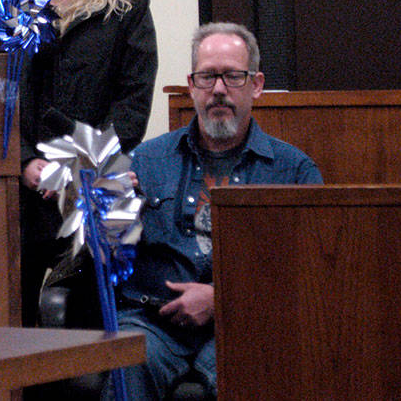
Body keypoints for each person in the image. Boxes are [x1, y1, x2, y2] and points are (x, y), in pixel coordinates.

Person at [105, 22, 323, 400]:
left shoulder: (294, 170)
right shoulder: (144, 161)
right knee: (125, 363)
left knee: (259, 363)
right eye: (207, 77)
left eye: (232, 77)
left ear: (256, 84)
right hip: (152, 322)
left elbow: (313, 274)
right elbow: (109, 260)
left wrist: (221, 298)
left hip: (251, 323)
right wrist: (105, 217)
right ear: (192, 85)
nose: (219, 89)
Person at [19, 0, 158, 327]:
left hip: (94, 175)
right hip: (23, 181)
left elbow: (133, 103)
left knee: (90, 316)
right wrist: (24, 161)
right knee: (12, 314)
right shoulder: (17, 1)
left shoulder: (128, 6)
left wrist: (78, 161)